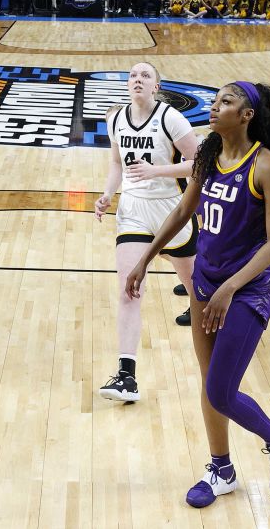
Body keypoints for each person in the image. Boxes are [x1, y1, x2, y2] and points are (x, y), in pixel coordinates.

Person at [126, 80, 270, 508]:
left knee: (222, 390)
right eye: (215, 99)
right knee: (210, 386)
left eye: (226, 101)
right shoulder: (208, 154)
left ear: (247, 115)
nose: (214, 105)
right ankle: (220, 468)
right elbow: (185, 210)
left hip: (246, 289)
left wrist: (231, 286)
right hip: (207, 282)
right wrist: (146, 257)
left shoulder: (268, 167)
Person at [95, 63, 201, 403]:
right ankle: (127, 375)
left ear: (156, 86)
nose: (137, 79)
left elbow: (200, 164)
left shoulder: (171, 118)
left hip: (173, 210)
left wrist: (158, 170)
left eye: (145, 75)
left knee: (197, 289)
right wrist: (109, 194)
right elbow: (116, 163)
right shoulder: (115, 119)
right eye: (132, 75)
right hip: (134, 212)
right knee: (129, 288)